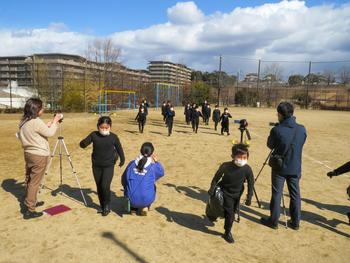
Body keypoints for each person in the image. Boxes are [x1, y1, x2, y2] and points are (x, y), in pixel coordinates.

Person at [261, 102, 307, 230]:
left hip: (280, 167)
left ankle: (273, 221)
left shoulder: (277, 129)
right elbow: (301, 143)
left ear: (280, 115)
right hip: (295, 166)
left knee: (276, 193)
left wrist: (277, 130)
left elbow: (270, 145)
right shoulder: (302, 129)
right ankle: (296, 222)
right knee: (295, 195)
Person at [18, 98, 63, 219]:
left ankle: (31, 200)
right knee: (35, 182)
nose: (43, 109)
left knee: (29, 178)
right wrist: (55, 121)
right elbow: (50, 133)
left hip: (28, 153)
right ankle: (30, 209)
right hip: (39, 155)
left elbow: (35, 131)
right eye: (41, 107)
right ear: (36, 109)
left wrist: (48, 124)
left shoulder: (24, 121)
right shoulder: (36, 121)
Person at [208, 143, 254, 244]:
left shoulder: (247, 169)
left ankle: (216, 216)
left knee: (230, 211)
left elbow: (251, 183)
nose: (241, 159)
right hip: (224, 191)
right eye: (239, 157)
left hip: (237, 193)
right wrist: (212, 188)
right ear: (232, 156)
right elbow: (216, 177)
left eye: (244, 157)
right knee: (228, 212)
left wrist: (249, 197)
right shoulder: (226, 166)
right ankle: (227, 232)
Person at [80, 116, 125, 216]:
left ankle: (107, 205)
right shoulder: (94, 135)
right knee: (99, 186)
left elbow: (119, 148)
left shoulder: (113, 137)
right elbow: (84, 143)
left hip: (109, 165)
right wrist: (83, 143)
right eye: (102, 127)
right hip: (96, 165)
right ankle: (102, 205)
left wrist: (122, 159)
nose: (104, 129)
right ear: (98, 127)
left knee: (105, 186)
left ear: (110, 127)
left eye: (106, 127)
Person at [121, 142, 164, 216]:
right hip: (146, 198)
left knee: (130, 187)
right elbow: (161, 172)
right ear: (152, 153)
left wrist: (126, 189)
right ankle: (145, 206)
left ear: (140, 151)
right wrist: (157, 162)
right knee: (153, 186)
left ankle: (133, 209)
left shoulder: (131, 164)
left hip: (131, 198)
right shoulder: (153, 167)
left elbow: (124, 179)